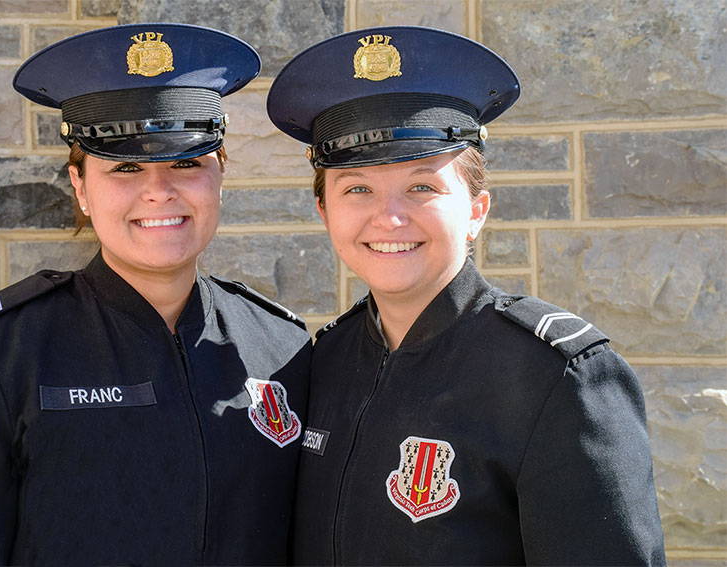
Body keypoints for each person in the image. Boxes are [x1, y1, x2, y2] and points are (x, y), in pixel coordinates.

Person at [0, 24, 311, 566]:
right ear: (80, 187)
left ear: (220, 176)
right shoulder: (2, 352)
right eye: (125, 168)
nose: (159, 190)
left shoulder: (282, 347)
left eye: (186, 163)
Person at [267, 26, 666, 565]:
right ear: (324, 211)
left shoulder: (556, 376)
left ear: (476, 210)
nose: (389, 217)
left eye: (422, 186)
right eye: (357, 188)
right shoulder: (324, 363)